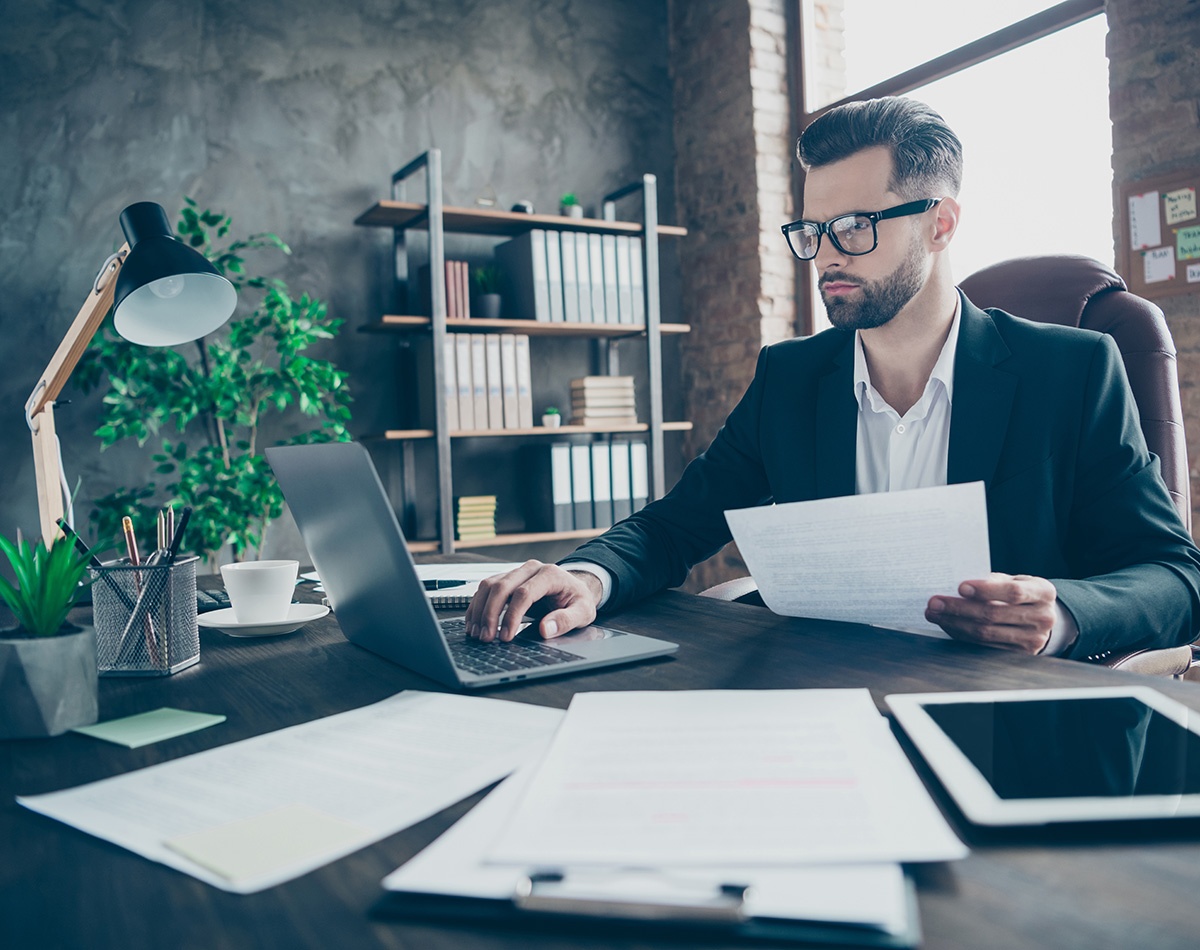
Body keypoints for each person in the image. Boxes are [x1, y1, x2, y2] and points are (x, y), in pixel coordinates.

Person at [466, 96, 1200, 660]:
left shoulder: (1069, 371)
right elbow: (674, 525)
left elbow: (1175, 577)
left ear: (941, 223)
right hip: (827, 700)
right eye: (813, 231)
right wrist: (587, 577)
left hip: (1005, 720)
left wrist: (1063, 613)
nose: (825, 256)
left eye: (854, 226)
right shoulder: (791, 378)